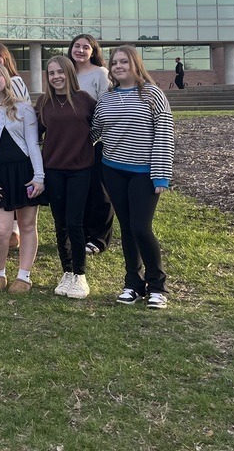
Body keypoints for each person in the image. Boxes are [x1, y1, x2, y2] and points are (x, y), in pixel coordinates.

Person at [92, 45, 174, 310]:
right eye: (114, 62)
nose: (118, 66)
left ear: (135, 64)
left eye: (123, 62)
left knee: (141, 227)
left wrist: (161, 175)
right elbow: (94, 132)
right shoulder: (106, 98)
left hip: (144, 172)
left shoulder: (152, 94)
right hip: (112, 170)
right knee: (126, 228)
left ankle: (157, 285)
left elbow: (164, 134)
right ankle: (132, 283)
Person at [0, 63, 45, 292]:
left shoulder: (23, 108)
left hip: (24, 172)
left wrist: (39, 177)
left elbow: (33, 144)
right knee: (2, 230)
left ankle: (24, 275)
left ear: (6, 78)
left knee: (26, 225)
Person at [36, 56, 96, 299]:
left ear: (69, 73)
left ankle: (80, 275)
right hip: (53, 169)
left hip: (80, 169)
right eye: (51, 73)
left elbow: (99, 126)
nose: (56, 77)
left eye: (60, 72)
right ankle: (67, 271)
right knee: (59, 223)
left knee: (75, 222)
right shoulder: (43, 102)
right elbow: (33, 134)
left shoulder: (85, 101)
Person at [67, 33, 114, 256]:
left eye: (86, 47)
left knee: (99, 191)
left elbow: (105, 107)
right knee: (81, 189)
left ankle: (99, 238)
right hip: (73, 141)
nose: (81, 50)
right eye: (77, 46)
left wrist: (94, 136)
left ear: (93, 52)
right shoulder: (68, 73)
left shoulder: (100, 73)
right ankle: (83, 233)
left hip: (96, 140)